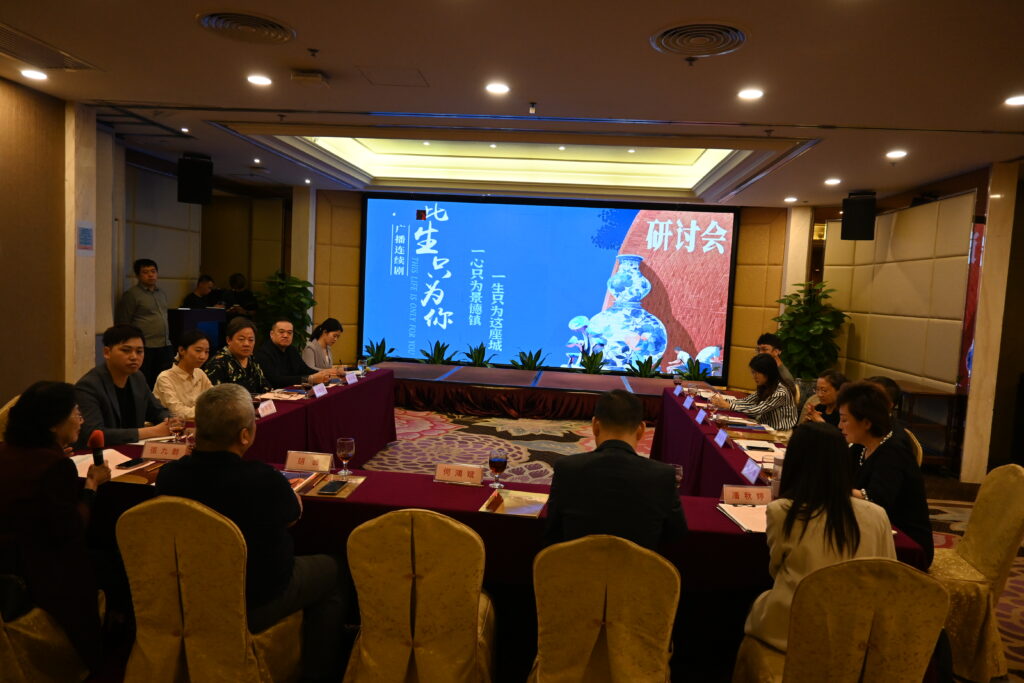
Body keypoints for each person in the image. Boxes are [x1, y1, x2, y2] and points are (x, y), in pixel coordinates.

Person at [155, 383, 352, 681]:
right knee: (335, 570)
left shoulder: (169, 476)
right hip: (256, 599)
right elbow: (293, 516)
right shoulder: (263, 480)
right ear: (245, 435)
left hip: (189, 591)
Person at [743, 422, 896, 652]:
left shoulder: (784, 511)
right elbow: (889, 574)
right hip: (858, 632)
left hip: (795, 628)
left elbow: (776, 570)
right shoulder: (877, 514)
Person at [0, 382, 111, 672]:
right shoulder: (53, 466)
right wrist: (91, 485)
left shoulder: (6, 451)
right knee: (110, 561)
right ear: (52, 423)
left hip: (7, 556)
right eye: (75, 412)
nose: (81, 419)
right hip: (36, 568)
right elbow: (71, 530)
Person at [544, 390, 687, 551]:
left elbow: (553, 531)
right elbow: (676, 535)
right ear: (641, 430)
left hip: (576, 565)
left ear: (595, 426)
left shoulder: (567, 468)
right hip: (640, 567)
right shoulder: (663, 475)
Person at [837, 381, 934, 565]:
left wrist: (836, 490)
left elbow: (877, 500)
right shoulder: (860, 446)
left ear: (866, 422)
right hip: (873, 529)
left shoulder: (893, 451)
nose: (839, 426)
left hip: (906, 542)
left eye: (844, 420)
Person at [74, 324, 172, 448]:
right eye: (126, 350)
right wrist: (152, 431)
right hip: (102, 454)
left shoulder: (137, 377)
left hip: (133, 449)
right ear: (107, 352)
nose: (134, 357)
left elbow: (157, 411)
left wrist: (168, 421)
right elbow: (93, 433)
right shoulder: (88, 386)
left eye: (139, 351)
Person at [115, 258, 173, 386]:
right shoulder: (132, 295)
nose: (150, 275)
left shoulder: (161, 293)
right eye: (145, 272)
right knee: (144, 382)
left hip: (164, 344)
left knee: (163, 381)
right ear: (138, 275)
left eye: (153, 271)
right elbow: (124, 322)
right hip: (145, 346)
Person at [710, 354, 798, 431]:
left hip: (779, 434)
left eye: (757, 373)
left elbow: (758, 410)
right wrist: (723, 402)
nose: (754, 376)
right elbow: (747, 401)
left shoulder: (780, 392)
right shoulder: (765, 386)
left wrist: (729, 406)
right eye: (753, 373)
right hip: (765, 428)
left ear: (768, 372)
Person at [153, 329, 214, 419]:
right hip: (173, 426)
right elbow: (177, 412)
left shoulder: (200, 373)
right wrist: (207, 411)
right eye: (198, 350)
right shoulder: (165, 378)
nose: (203, 356)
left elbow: (215, 399)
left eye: (206, 352)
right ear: (182, 350)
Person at [256, 319, 335, 388]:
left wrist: (323, 374)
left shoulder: (291, 349)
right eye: (281, 332)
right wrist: (309, 379)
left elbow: (304, 369)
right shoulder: (264, 352)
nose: (286, 335)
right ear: (272, 334)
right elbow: (275, 380)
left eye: (289, 332)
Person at [203, 317, 271, 394]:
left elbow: (265, 387)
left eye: (251, 340)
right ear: (229, 340)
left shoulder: (251, 359)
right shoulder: (218, 364)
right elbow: (216, 397)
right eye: (241, 339)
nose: (246, 344)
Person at [756, 332, 797, 397]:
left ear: (776, 352)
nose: (760, 353)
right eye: (758, 350)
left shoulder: (785, 377)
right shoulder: (764, 369)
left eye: (765, 349)